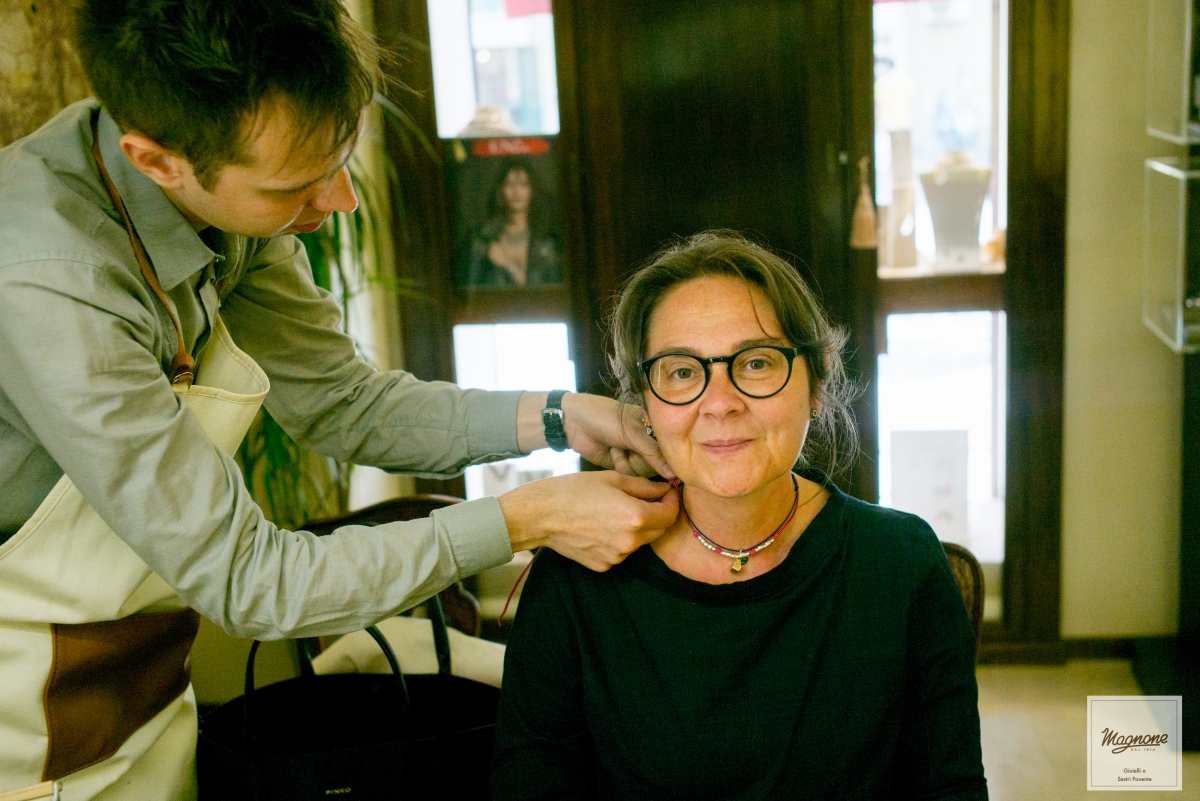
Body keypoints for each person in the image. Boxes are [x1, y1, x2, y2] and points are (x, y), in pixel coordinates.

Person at [0, 1, 678, 798]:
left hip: (138, 679)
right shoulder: (49, 283)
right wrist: (528, 518)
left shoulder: (219, 196)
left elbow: (344, 403)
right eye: (296, 185)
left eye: (341, 158)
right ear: (156, 161)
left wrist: (563, 415)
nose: (341, 201)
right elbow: (252, 579)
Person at [492, 231, 988, 800]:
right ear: (645, 404)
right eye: (681, 371)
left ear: (817, 381)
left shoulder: (902, 562)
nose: (720, 402)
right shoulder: (578, 571)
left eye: (755, 363)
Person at [459, 156, 563, 288]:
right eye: (509, 184)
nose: (516, 191)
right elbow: (471, 289)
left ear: (532, 191)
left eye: (523, 184)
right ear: (500, 191)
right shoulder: (483, 239)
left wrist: (508, 265)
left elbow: (550, 291)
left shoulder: (547, 242)